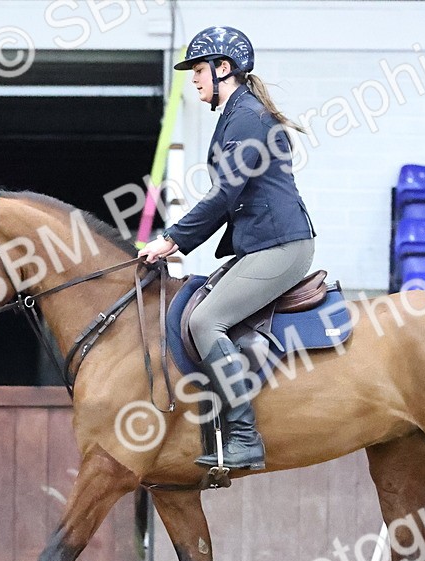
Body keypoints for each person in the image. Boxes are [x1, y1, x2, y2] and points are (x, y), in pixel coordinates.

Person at [140, 25, 315, 472]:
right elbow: (228, 198)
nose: (194, 78)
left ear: (224, 69)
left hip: (282, 246)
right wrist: (177, 241)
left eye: (199, 69)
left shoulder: (247, 117)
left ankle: (243, 435)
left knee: (205, 319)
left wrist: (171, 239)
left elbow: (222, 196)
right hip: (261, 244)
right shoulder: (235, 115)